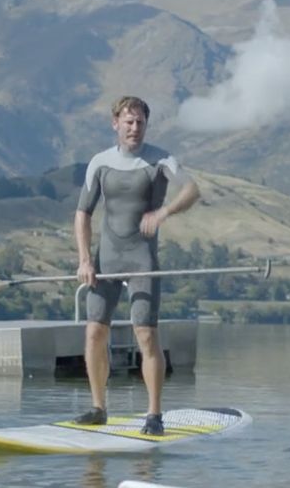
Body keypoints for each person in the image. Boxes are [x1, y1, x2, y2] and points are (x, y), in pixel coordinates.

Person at [73, 96, 200, 436]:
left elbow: (191, 190)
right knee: (94, 331)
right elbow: (82, 214)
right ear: (115, 123)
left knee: (145, 333)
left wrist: (164, 212)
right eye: (128, 122)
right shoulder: (100, 163)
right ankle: (99, 408)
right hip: (106, 261)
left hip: (142, 261)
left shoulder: (160, 160)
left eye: (140, 122)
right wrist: (85, 259)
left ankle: (154, 415)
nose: (134, 128)